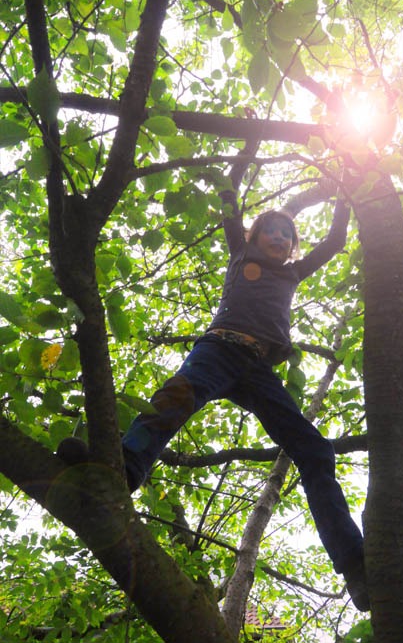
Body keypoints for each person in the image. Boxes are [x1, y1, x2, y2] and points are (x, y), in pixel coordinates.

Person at [58, 181, 369, 611]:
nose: (279, 238)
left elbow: (335, 241)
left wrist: (343, 187)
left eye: (287, 234)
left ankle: (355, 565)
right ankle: (123, 470)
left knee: (314, 451)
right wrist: (247, 149)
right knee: (171, 402)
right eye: (270, 231)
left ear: (294, 246)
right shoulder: (240, 255)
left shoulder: (293, 272)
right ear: (253, 237)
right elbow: (229, 200)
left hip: (258, 369)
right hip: (218, 350)